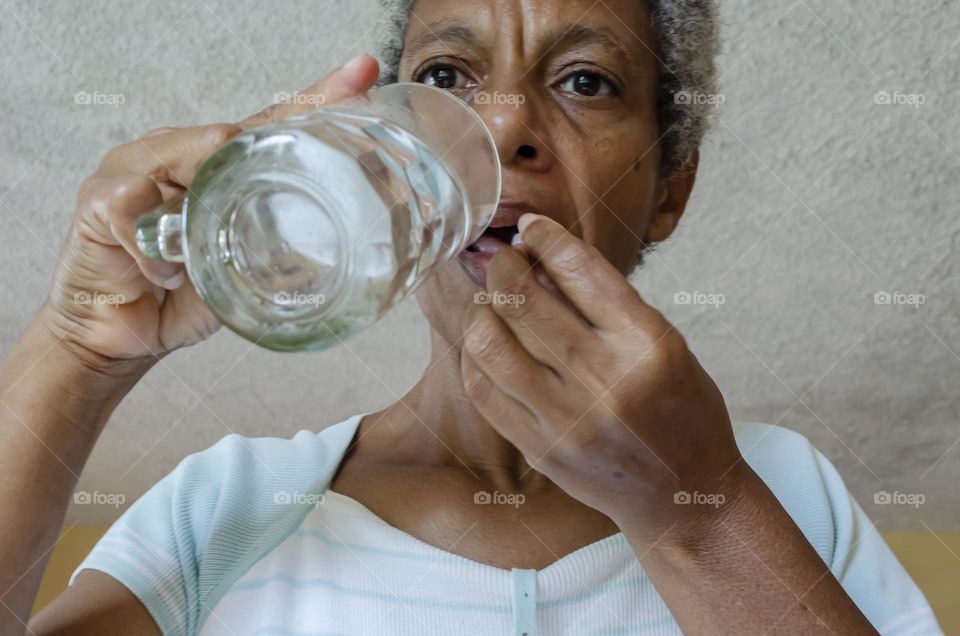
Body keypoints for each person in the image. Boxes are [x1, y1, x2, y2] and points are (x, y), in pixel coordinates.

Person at [1, 0, 942, 634]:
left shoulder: (782, 491)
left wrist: (697, 511)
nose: (500, 127)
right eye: (447, 79)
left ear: (670, 191)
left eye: (585, 80)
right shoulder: (226, 504)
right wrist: (74, 353)